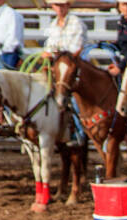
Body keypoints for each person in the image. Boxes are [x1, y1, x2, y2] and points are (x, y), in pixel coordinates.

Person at [40, 1, 89, 146]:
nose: (60, 8)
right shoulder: (53, 25)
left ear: (68, 6)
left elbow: (75, 49)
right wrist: (49, 54)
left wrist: (54, 54)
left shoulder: (76, 23)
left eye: (62, 5)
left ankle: (78, 133)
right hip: (58, 66)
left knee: (74, 97)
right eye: (57, 5)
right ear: (53, 7)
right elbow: (49, 46)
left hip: (74, 67)